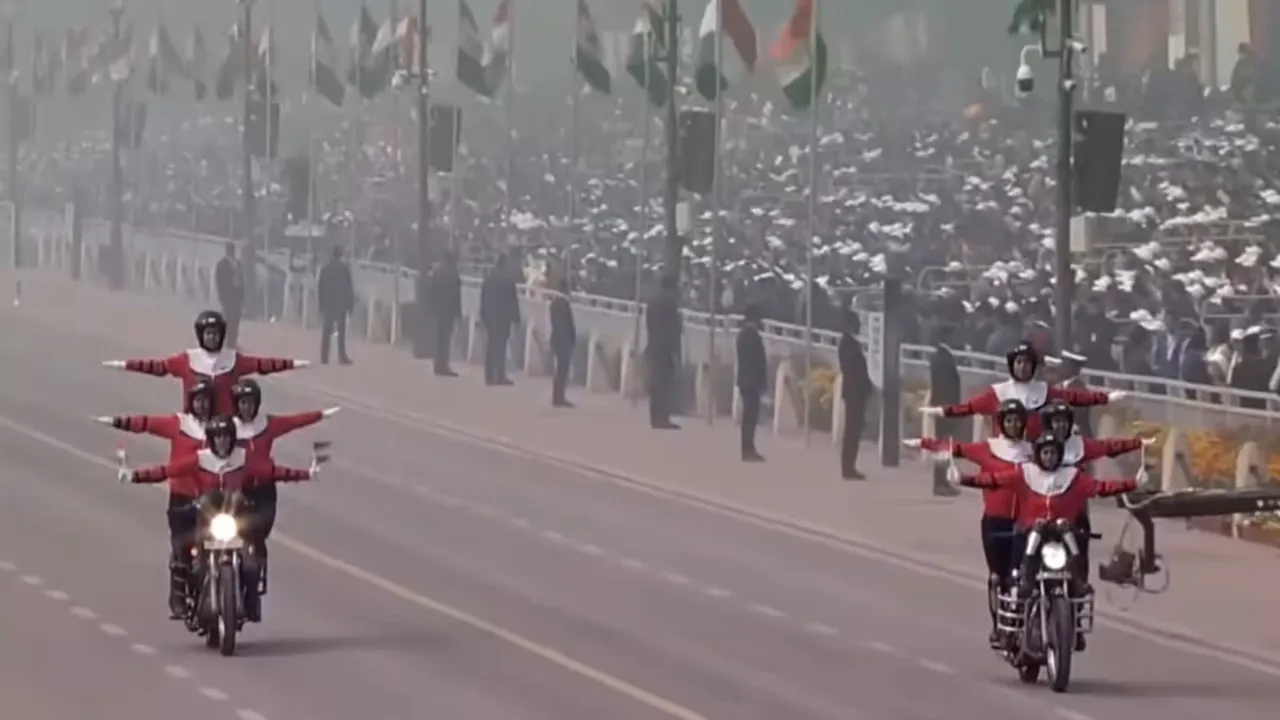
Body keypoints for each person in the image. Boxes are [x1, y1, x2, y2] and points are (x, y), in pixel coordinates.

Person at [119, 416, 318, 620]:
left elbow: (271, 471)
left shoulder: (243, 457)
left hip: (233, 519)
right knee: (192, 562)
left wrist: (305, 474)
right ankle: (185, 598)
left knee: (251, 563)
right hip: (207, 519)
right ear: (211, 439)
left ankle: (251, 604)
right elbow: (168, 471)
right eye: (218, 437)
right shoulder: (200, 458)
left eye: (226, 436)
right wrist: (135, 476)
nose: (222, 441)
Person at [954, 435, 1140, 604]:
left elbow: (1101, 487)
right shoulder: (1025, 473)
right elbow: (994, 480)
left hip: (1060, 532)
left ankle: (1078, 581)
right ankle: (1026, 580)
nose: (1049, 457)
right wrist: (963, 479)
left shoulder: (1072, 476)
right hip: (1031, 531)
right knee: (1034, 533)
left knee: (1069, 533)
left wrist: (1134, 483)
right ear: (1038, 454)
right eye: (1045, 452)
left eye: (1053, 452)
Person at [907, 399, 1031, 647]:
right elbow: (956, 448)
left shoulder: (1033, 451)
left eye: (1017, 420)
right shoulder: (989, 448)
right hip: (996, 522)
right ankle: (999, 625)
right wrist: (923, 443)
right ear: (1001, 423)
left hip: (1026, 523)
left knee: (1026, 576)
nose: (1013, 424)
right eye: (1009, 420)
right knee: (1000, 577)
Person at [231, 379, 337, 620]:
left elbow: (294, 422)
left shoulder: (266, 425)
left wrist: (320, 415)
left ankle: (253, 594)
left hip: (263, 494)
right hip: (234, 491)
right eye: (242, 403)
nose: (246, 407)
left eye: (250, 403)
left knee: (254, 537)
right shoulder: (226, 428)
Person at [102, 310, 309, 414]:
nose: (212, 338)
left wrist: (294, 364)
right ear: (201, 335)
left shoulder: (233, 359)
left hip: (225, 432)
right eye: (208, 333)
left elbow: (264, 365)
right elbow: (157, 368)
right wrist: (125, 365)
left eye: (216, 333)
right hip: (193, 425)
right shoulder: (187, 359)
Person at [921, 342, 1122, 439]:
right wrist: (941, 411)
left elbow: (1075, 397)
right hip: (1005, 454)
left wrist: (1106, 398)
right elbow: (969, 408)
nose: (1023, 367)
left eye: (1027, 363)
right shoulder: (999, 392)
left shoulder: (1044, 390)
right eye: (1018, 362)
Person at [93, 379, 217, 462]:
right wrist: (117, 422)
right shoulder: (180, 423)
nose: (202, 405)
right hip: (182, 491)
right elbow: (147, 423)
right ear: (191, 402)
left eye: (206, 400)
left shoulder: (220, 426)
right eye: (198, 400)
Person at [838, 310, 872, 479]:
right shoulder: (848, 344)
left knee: (853, 430)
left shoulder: (848, 343)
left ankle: (849, 466)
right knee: (852, 431)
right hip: (854, 394)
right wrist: (865, 386)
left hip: (854, 393)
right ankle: (848, 467)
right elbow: (855, 371)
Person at [646, 275, 681, 429]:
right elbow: (673, 330)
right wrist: (675, 350)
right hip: (665, 349)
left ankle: (655, 417)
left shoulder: (652, 303)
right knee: (664, 384)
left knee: (655, 384)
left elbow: (649, 325)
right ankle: (663, 418)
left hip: (654, 346)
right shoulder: (670, 305)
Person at [480, 254, 520, 386]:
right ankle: (500, 376)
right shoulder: (508, 281)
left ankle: (489, 376)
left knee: (491, 347)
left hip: (490, 318)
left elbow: (483, 299)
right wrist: (516, 319)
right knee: (501, 348)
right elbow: (513, 302)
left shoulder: (489, 279)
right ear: (505, 264)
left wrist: (483, 315)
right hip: (503, 319)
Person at [735, 304, 767, 462]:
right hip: (751, 382)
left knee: (749, 417)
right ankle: (747, 449)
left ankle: (748, 447)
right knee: (750, 417)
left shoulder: (743, 335)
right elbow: (755, 361)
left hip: (745, 380)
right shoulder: (751, 336)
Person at [317, 245, 354, 365]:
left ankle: (324, 356)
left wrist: (321, 304)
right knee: (341, 331)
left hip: (328, 303)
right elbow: (349, 288)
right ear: (341, 255)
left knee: (326, 330)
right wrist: (350, 305)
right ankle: (341, 355)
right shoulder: (344, 269)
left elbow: (321, 288)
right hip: (340, 304)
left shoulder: (325, 269)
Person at [428, 251, 462, 377]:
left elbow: (432, 290)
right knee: (445, 340)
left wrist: (432, 308)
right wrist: (458, 313)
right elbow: (456, 295)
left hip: (438, 310)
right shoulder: (453, 273)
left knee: (438, 338)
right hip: (449, 311)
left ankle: (437, 365)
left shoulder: (437, 271)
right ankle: (444, 365)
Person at [547, 274, 576, 408]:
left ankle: (557, 397)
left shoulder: (554, 303)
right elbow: (566, 325)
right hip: (563, 342)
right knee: (562, 371)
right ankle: (559, 398)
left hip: (556, 340)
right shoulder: (563, 304)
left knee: (559, 371)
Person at [214, 243, 244, 348]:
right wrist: (221, 295)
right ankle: (227, 340)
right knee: (229, 319)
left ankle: (233, 340)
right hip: (228, 296)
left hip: (237, 296)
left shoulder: (238, 264)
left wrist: (242, 295)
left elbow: (242, 280)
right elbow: (219, 281)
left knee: (236, 319)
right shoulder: (222, 265)